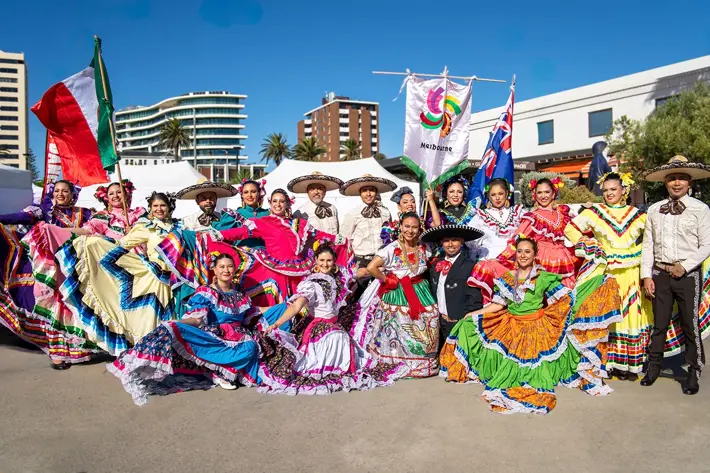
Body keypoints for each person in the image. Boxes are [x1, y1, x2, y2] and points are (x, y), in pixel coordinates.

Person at [440, 237, 622, 415]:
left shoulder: (543, 277)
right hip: (510, 327)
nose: (523, 255)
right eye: (519, 251)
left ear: (535, 255)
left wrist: (591, 287)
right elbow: (497, 306)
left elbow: (565, 300)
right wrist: (472, 314)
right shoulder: (507, 278)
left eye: (527, 252)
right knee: (472, 330)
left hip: (538, 327)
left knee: (534, 368)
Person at [107, 253, 264, 406]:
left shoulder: (240, 294)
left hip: (239, 337)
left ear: (235, 269)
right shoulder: (207, 292)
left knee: (251, 347)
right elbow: (197, 318)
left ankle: (223, 370)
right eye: (221, 266)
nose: (226, 270)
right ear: (214, 270)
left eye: (230, 266)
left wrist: (283, 308)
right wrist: (176, 322)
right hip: (216, 338)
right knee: (173, 328)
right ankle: (221, 372)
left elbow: (252, 313)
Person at [257, 243, 406, 394]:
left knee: (351, 331)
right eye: (321, 260)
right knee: (339, 338)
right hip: (319, 327)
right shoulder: (311, 283)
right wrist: (277, 323)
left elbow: (360, 273)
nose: (325, 264)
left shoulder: (339, 275)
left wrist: (384, 269)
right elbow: (296, 307)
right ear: (315, 260)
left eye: (328, 260)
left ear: (334, 260)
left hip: (335, 322)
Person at [56, 192, 180, 355]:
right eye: (155, 206)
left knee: (174, 318)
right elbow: (122, 244)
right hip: (153, 279)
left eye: (162, 205)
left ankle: (169, 353)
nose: (159, 209)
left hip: (176, 279)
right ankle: (150, 354)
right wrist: (97, 243)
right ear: (150, 208)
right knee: (150, 320)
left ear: (169, 207)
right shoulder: (145, 227)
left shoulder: (180, 227)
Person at [564, 172, 652, 379]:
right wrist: (590, 244)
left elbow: (651, 238)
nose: (609, 193)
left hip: (631, 270)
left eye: (613, 189)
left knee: (629, 315)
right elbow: (571, 228)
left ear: (624, 190)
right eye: (605, 190)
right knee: (608, 315)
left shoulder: (637, 214)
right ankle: (607, 362)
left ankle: (629, 364)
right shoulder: (596, 212)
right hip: (606, 270)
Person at [0, 180, 95, 369]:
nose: (60, 194)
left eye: (65, 191)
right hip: (51, 267)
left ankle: (80, 349)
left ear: (72, 194)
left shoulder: (86, 213)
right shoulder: (44, 211)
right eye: (57, 191)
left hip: (78, 266)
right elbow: (22, 216)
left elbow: (95, 231)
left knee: (77, 307)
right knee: (55, 308)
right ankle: (57, 353)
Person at [640, 156, 710, 395]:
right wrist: (646, 275)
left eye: (681, 178)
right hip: (660, 273)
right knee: (659, 323)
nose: (676, 183)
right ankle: (654, 366)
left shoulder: (700, 209)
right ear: (665, 182)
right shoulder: (653, 209)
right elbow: (648, 244)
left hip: (688, 275)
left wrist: (686, 265)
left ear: (689, 182)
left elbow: (707, 244)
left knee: (690, 324)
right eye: (672, 178)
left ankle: (693, 369)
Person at [210, 189, 352, 306]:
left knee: (301, 303)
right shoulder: (263, 222)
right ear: (270, 203)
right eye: (275, 201)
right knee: (278, 303)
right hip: (275, 270)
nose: (278, 204)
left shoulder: (299, 224)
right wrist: (220, 235)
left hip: (299, 270)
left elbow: (317, 234)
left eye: (282, 201)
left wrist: (338, 239)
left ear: (287, 205)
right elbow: (242, 232)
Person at [350, 213, 439, 378]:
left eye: (414, 227)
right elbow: (371, 267)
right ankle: (399, 362)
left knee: (429, 319)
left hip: (421, 289)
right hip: (399, 291)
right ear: (400, 227)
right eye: (407, 226)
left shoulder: (424, 248)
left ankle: (422, 363)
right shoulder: (391, 248)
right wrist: (387, 280)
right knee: (400, 327)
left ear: (419, 229)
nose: (410, 231)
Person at [470, 177, 578, 302]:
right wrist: (502, 258)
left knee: (567, 296)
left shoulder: (563, 214)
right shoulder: (531, 217)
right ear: (534, 195)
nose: (543, 196)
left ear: (554, 193)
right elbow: (518, 239)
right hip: (540, 259)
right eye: (539, 192)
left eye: (547, 192)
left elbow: (576, 232)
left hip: (564, 259)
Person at [421, 224, 484, 351]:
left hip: (459, 321)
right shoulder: (436, 264)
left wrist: (467, 320)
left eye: (454, 240)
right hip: (440, 322)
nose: (450, 244)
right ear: (441, 243)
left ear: (461, 242)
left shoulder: (469, 266)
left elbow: (474, 297)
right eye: (446, 241)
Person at [340, 174, 396, 297]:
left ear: (376, 192)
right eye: (365, 191)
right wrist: (351, 265)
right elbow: (344, 240)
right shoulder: (352, 214)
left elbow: (390, 237)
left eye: (371, 190)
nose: (368, 194)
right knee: (359, 296)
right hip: (361, 262)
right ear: (360, 193)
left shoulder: (386, 213)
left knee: (382, 295)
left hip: (381, 261)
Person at [468, 178, 526, 260]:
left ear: (506, 194)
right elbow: (471, 242)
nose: (497, 198)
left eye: (500, 193)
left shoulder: (518, 213)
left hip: (514, 262)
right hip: (489, 262)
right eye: (493, 195)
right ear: (488, 196)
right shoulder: (481, 217)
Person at [289, 171, 343, 235]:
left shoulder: (332, 208)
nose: (316, 192)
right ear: (307, 192)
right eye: (312, 189)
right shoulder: (299, 213)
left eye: (320, 188)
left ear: (325, 191)